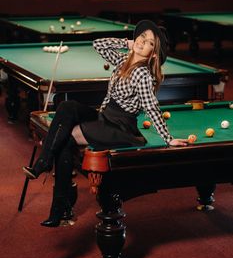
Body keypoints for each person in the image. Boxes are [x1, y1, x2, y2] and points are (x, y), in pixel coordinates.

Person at [23, 20, 188, 228]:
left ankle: (59, 206)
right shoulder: (122, 61)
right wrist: (127, 43)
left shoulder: (142, 74)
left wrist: (168, 138)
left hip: (119, 128)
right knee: (67, 108)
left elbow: (152, 108)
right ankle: (47, 170)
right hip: (104, 116)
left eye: (149, 43)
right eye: (142, 37)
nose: (142, 42)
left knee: (65, 139)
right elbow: (98, 44)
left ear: (153, 54)